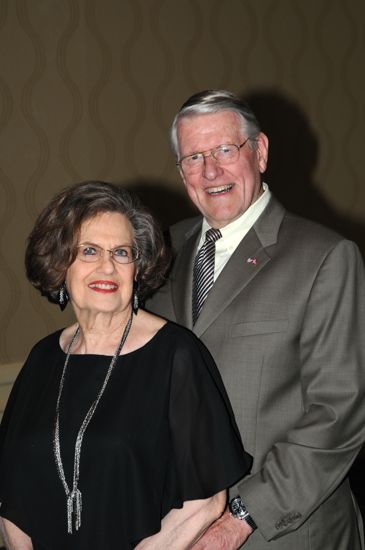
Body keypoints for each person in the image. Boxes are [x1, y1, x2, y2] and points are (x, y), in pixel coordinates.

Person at [147, 90, 365, 549]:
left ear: (260, 152)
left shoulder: (326, 257)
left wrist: (239, 518)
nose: (211, 171)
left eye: (226, 150)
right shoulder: (161, 253)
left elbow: (338, 416)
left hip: (284, 533)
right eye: (193, 157)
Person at [0, 181, 251, 549]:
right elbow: (11, 491)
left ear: (138, 267)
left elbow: (206, 500)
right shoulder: (43, 359)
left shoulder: (175, 356)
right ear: (59, 264)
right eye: (88, 251)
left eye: (121, 252)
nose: (107, 266)